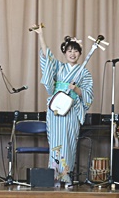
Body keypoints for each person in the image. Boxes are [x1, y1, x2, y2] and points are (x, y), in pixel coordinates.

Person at [32, 24, 94, 186]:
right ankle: (53, 175)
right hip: (56, 109)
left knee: (69, 142)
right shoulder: (59, 67)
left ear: (80, 53)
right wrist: (41, 35)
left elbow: (88, 94)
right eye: (69, 51)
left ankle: (66, 175)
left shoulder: (84, 72)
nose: (72, 54)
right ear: (65, 53)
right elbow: (47, 57)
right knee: (55, 142)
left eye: (75, 51)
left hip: (72, 110)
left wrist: (77, 89)